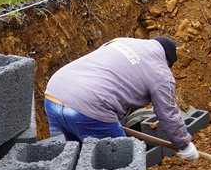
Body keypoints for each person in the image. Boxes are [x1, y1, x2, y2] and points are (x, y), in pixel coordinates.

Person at [44, 36, 198, 161]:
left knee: (67, 166)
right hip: (91, 106)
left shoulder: (121, 41)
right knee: (123, 168)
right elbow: (168, 113)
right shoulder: (161, 73)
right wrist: (184, 144)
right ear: (168, 61)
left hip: (54, 95)